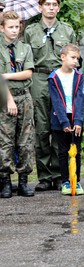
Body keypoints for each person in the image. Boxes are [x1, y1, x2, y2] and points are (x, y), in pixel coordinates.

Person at [23, 0, 77, 192]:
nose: (51, 8)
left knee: (60, 126)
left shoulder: (67, 30)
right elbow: (25, 58)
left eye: (55, 4)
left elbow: (73, 58)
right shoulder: (31, 31)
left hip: (61, 78)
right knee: (42, 128)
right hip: (38, 78)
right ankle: (44, 176)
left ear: (59, 8)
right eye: (47, 4)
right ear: (40, 7)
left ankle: (59, 174)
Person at [0, 10, 35, 197]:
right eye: (10, 27)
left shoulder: (25, 48)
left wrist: (7, 75)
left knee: (26, 140)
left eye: (17, 26)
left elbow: (28, 73)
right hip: (5, 97)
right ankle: (5, 181)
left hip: (25, 97)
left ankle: (23, 180)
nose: (14, 30)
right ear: (2, 28)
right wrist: (9, 100)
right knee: (5, 140)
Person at [48, 43, 84, 196]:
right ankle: (65, 181)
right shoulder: (54, 77)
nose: (76, 61)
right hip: (60, 119)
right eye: (72, 57)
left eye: (77, 58)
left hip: (74, 118)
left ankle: (76, 181)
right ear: (63, 57)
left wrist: (77, 121)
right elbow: (56, 101)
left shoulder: (79, 76)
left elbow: (80, 99)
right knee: (63, 152)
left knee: (75, 151)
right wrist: (64, 122)